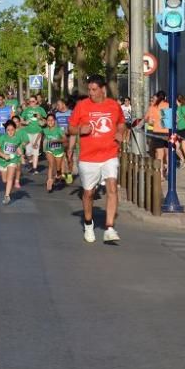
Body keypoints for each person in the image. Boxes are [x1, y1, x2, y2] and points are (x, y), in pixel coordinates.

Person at [69, 74, 127, 244]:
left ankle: (109, 228)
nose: (91, 93)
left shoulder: (114, 106)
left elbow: (121, 123)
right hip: (88, 158)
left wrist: (120, 132)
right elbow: (70, 129)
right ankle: (88, 224)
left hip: (109, 154)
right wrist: (80, 130)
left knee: (112, 187)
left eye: (94, 90)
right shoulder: (82, 106)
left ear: (103, 89)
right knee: (88, 194)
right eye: (89, 90)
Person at [0, 120, 25, 205]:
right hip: (2, 161)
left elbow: (17, 146)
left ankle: (7, 196)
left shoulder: (17, 138)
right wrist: (3, 155)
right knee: (5, 180)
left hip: (13, 160)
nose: (10, 132)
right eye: (8, 130)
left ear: (15, 129)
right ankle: (9, 188)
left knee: (10, 178)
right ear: (5, 130)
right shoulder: (2, 138)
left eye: (12, 130)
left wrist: (21, 154)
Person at [145, 92, 170, 175]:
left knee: (159, 155)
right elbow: (175, 118)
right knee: (168, 153)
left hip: (157, 132)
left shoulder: (153, 107)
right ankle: (169, 170)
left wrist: (155, 121)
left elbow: (149, 121)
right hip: (168, 132)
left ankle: (161, 175)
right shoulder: (168, 105)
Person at [42, 113, 67, 192]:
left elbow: (65, 139)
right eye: (48, 120)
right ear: (46, 121)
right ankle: (49, 181)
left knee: (58, 168)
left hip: (59, 151)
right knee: (51, 165)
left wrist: (57, 140)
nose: (50, 122)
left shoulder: (59, 129)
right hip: (49, 150)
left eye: (52, 120)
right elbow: (43, 138)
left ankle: (59, 173)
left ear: (55, 121)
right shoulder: (45, 130)